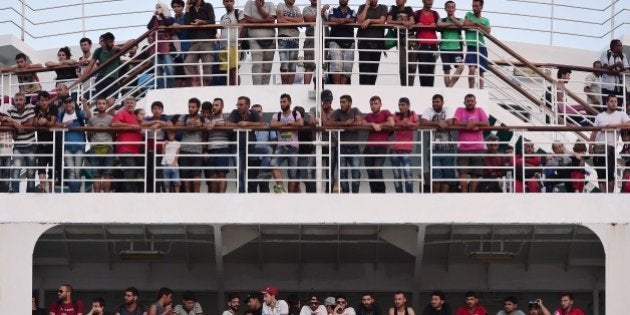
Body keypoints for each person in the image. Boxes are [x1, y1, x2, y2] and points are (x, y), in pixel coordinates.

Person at [589, 94, 630, 192]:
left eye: (615, 101)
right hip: (598, 146)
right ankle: (604, 195)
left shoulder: (621, 114)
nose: (614, 103)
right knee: (600, 173)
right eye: (611, 101)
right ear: (606, 103)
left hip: (611, 147)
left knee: (610, 173)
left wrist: (613, 126)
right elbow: (594, 132)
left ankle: (610, 195)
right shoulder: (600, 116)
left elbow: (629, 124)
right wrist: (590, 145)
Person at [325, 95, 362, 193]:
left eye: (343, 102)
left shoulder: (355, 110)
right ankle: (346, 194)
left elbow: (359, 123)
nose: (341, 104)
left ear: (350, 103)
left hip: (354, 147)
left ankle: (354, 195)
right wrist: (345, 123)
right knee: (342, 173)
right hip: (341, 147)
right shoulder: (337, 112)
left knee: (356, 172)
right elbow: (328, 123)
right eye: (340, 102)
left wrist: (351, 122)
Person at [228, 96, 265, 192]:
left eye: (241, 105)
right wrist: (238, 125)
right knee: (239, 172)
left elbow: (261, 124)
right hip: (237, 148)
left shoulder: (253, 113)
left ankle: (251, 193)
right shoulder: (235, 112)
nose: (238, 106)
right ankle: (241, 194)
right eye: (238, 104)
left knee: (251, 172)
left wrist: (246, 123)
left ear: (247, 105)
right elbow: (227, 124)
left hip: (251, 147)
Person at [81, 32, 128, 106]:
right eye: (110, 42)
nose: (112, 43)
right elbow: (90, 66)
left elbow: (132, 41)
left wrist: (120, 48)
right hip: (101, 79)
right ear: (104, 42)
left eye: (113, 41)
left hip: (113, 79)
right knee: (101, 103)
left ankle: (110, 117)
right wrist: (81, 79)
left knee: (111, 102)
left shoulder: (116, 49)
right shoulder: (98, 50)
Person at [454, 93, 489, 192]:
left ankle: (472, 194)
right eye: (468, 101)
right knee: (462, 172)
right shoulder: (460, 110)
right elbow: (455, 122)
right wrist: (467, 124)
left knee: (476, 173)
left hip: (478, 147)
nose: (470, 103)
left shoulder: (480, 110)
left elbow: (486, 122)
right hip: (463, 148)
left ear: (475, 102)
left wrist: (475, 123)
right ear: (464, 102)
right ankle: (464, 193)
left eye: (472, 101)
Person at [421, 94, 455, 193]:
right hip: (433, 148)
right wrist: (438, 123)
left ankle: (444, 197)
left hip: (448, 148)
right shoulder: (428, 110)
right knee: (436, 174)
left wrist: (433, 122)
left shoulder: (447, 109)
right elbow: (422, 122)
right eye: (433, 102)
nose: (435, 104)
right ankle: (436, 197)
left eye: (437, 102)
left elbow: (450, 122)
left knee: (447, 174)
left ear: (442, 102)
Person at [270, 93, 303, 193]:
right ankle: (281, 187)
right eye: (281, 102)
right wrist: (287, 124)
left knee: (292, 173)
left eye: (284, 102)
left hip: (293, 146)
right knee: (273, 164)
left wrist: (284, 125)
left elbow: (300, 123)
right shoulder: (277, 115)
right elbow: (272, 124)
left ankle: (290, 195)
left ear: (290, 102)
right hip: (281, 146)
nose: (282, 104)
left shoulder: (295, 113)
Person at [58, 97, 91, 192]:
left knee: (77, 171)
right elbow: (57, 125)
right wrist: (64, 124)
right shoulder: (61, 114)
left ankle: (75, 194)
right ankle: (74, 194)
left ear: (73, 103)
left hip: (79, 147)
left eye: (70, 102)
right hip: (66, 147)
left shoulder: (78, 113)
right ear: (63, 104)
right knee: (71, 171)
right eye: (66, 102)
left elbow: (88, 116)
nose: (68, 104)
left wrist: (85, 105)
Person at [112, 97, 144, 192]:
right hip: (125, 148)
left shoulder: (135, 116)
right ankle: (129, 195)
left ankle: (133, 193)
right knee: (130, 170)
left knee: (135, 172)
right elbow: (115, 124)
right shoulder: (122, 113)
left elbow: (143, 124)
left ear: (135, 104)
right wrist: (132, 126)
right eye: (128, 103)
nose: (130, 104)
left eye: (132, 103)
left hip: (136, 150)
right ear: (124, 104)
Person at [6, 92, 36, 192]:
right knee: (15, 171)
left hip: (31, 145)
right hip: (18, 146)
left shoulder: (30, 108)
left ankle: (30, 194)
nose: (18, 102)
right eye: (16, 100)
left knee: (31, 172)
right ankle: (15, 193)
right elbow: (6, 120)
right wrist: (14, 123)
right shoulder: (11, 110)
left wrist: (16, 125)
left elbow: (30, 124)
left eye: (20, 100)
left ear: (24, 100)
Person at [363, 95, 394, 193]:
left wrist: (380, 125)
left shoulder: (385, 112)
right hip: (368, 148)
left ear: (380, 104)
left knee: (377, 170)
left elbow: (391, 123)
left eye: (376, 103)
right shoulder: (368, 116)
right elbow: (362, 123)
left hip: (380, 148)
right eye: (371, 104)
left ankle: (381, 193)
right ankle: (374, 194)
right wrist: (372, 124)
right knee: (370, 172)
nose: (373, 106)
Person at [243, 0, 277, 85]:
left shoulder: (270, 4)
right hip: (255, 39)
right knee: (257, 65)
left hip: (271, 40)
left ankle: (265, 89)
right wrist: (265, 21)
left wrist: (259, 9)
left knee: (267, 67)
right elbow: (247, 20)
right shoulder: (249, 3)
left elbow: (272, 19)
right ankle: (257, 88)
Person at [308, 89, 336, 192]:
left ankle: (328, 194)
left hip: (331, 145)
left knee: (330, 172)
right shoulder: (313, 109)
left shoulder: (335, 112)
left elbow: (326, 124)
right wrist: (314, 120)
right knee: (309, 169)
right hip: (317, 145)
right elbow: (311, 121)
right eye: (325, 100)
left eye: (329, 100)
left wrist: (322, 111)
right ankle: (313, 193)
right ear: (321, 100)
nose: (327, 102)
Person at [176, 98, 206, 192]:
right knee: (185, 175)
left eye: (193, 107)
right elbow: (176, 124)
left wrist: (201, 125)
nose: (191, 109)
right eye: (189, 106)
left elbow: (210, 125)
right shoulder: (184, 117)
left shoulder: (202, 118)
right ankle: (188, 195)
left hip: (197, 151)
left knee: (196, 175)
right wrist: (186, 123)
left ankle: (196, 195)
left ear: (198, 108)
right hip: (184, 150)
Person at [184, 0, 216, 86]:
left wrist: (203, 22)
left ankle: (207, 86)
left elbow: (212, 21)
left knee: (207, 65)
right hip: (194, 41)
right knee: (188, 63)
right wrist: (187, 7)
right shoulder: (190, 9)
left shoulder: (208, 6)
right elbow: (186, 24)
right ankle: (195, 84)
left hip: (207, 40)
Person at [356, 0, 387, 85]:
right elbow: (359, 20)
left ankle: (371, 90)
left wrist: (369, 20)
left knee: (374, 69)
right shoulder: (362, 7)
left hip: (377, 42)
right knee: (364, 68)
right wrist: (366, 7)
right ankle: (363, 89)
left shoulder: (383, 7)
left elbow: (382, 20)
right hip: (363, 42)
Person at [87, 97, 114, 193]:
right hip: (95, 148)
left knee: (106, 175)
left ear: (106, 105)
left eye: (103, 103)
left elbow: (114, 134)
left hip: (108, 148)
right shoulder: (91, 119)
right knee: (96, 175)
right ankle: (97, 197)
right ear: (96, 105)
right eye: (99, 103)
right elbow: (88, 135)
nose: (101, 105)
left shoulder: (112, 119)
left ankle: (104, 197)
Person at [33, 91, 58, 193]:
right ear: (39, 101)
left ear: (49, 100)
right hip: (41, 143)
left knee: (52, 171)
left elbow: (52, 123)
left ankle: (51, 192)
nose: (44, 102)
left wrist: (45, 122)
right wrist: (38, 122)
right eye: (42, 100)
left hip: (53, 142)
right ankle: (43, 190)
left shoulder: (53, 108)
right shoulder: (36, 108)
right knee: (41, 168)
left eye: (46, 100)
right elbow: (34, 123)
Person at [147, 1, 176, 89]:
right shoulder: (155, 19)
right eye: (156, 7)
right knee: (158, 71)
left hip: (166, 46)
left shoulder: (170, 18)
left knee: (169, 69)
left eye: (159, 7)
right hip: (155, 47)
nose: (157, 9)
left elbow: (167, 23)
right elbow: (149, 26)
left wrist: (161, 14)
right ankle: (161, 88)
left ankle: (170, 88)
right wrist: (154, 15)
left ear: (164, 8)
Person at [463, 0, 490, 89]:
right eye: (473, 6)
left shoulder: (485, 20)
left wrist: (476, 24)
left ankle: (481, 89)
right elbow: (465, 24)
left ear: (481, 7)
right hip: (471, 46)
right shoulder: (468, 14)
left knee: (481, 71)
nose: (474, 8)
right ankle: (471, 90)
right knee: (472, 69)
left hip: (481, 46)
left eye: (476, 6)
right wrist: (476, 25)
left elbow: (488, 32)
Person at [205, 98, 231, 193]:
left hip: (222, 148)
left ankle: (221, 197)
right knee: (212, 176)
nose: (214, 107)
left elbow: (229, 124)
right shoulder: (210, 118)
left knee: (221, 174)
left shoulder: (226, 116)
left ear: (222, 106)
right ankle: (215, 197)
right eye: (213, 105)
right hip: (211, 149)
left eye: (217, 105)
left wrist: (215, 124)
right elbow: (204, 125)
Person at [327, 0, 356, 85]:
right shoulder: (333, 10)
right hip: (335, 41)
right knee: (336, 66)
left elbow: (353, 20)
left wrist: (340, 20)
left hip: (350, 42)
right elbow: (331, 19)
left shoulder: (352, 11)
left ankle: (342, 87)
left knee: (347, 67)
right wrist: (346, 20)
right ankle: (337, 86)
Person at [386, 0, 414, 86]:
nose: (398, 0)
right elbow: (389, 21)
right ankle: (404, 85)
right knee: (402, 66)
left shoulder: (408, 9)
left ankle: (410, 85)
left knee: (412, 66)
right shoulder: (393, 9)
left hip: (410, 38)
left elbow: (411, 22)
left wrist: (406, 23)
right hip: (399, 39)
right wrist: (402, 22)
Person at [250, 104, 277, 192]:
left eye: (259, 112)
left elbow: (274, 140)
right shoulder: (248, 126)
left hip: (264, 160)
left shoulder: (268, 126)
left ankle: (265, 206)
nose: (257, 114)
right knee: (251, 186)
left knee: (264, 186)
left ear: (262, 113)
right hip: (252, 159)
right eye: (255, 112)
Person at [437, 1, 464, 87]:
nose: (450, 9)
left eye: (452, 7)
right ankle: (449, 88)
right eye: (449, 7)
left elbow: (461, 24)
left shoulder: (459, 19)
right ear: (445, 9)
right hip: (444, 48)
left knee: (460, 67)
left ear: (455, 8)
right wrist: (451, 24)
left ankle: (449, 87)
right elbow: (439, 24)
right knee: (446, 71)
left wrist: (452, 19)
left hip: (457, 49)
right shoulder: (442, 19)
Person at [412, 0, 439, 87]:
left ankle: (430, 90)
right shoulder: (417, 13)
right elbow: (411, 27)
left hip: (433, 45)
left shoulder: (435, 14)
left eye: (432, 0)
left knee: (431, 69)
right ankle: (423, 89)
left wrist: (436, 25)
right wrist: (416, 25)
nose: (430, 2)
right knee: (423, 68)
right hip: (421, 44)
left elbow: (440, 27)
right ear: (423, 1)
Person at [276, 0, 303, 84]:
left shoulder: (297, 8)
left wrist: (286, 19)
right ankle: (285, 87)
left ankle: (290, 87)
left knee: (293, 65)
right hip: (283, 36)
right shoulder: (281, 5)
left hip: (295, 37)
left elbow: (300, 20)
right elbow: (280, 20)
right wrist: (294, 22)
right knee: (284, 64)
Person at [219, 0, 243, 86]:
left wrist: (239, 43)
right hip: (223, 46)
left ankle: (236, 89)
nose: (229, 3)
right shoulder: (222, 17)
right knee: (227, 70)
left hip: (234, 45)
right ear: (223, 3)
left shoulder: (239, 12)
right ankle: (229, 89)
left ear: (233, 2)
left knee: (234, 69)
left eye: (231, 1)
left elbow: (243, 27)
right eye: (226, 1)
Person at [294, 106, 316, 193]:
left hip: (304, 155)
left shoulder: (304, 124)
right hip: (299, 153)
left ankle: (311, 198)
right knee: (296, 178)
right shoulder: (303, 123)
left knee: (306, 179)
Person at [600, 39, 628, 105]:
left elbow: (626, 69)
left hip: (619, 87)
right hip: (607, 87)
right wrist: (616, 64)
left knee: (618, 108)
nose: (622, 47)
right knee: (607, 108)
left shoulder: (623, 55)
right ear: (614, 46)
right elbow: (606, 67)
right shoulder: (606, 53)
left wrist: (622, 68)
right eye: (620, 45)